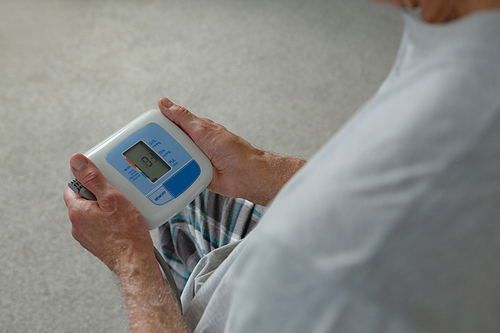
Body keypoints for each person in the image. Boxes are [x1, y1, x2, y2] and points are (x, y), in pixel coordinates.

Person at [63, 0, 500, 332]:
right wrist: (260, 169)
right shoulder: (457, 26)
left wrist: (130, 259)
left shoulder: (336, 266)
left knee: (156, 223)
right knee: (192, 203)